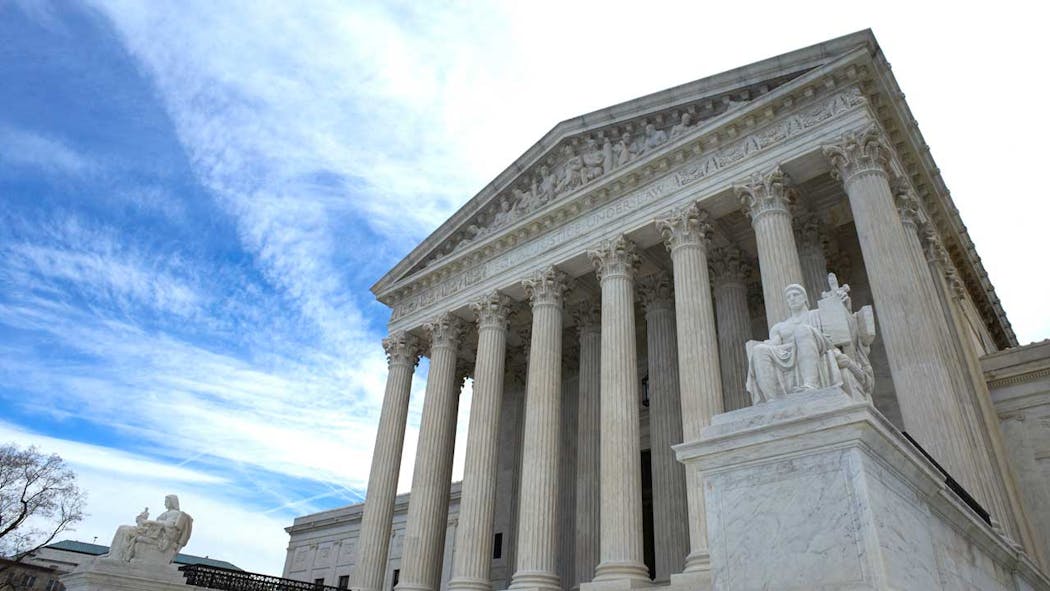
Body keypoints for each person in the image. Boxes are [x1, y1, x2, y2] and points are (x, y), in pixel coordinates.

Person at [746, 284, 837, 403]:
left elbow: (835, 335)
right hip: (788, 353)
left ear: (804, 298)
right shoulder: (781, 326)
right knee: (759, 350)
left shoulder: (817, 314)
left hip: (816, 346)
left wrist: (841, 301)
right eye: (789, 297)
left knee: (802, 330)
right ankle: (772, 400)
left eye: (795, 295)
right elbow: (774, 344)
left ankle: (810, 385)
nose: (792, 298)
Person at [105, 494, 193, 564]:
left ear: (172, 502)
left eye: (167, 501)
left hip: (158, 537)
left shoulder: (176, 513)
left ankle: (117, 557)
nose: (165, 503)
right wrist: (142, 520)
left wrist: (148, 522)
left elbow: (169, 525)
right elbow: (155, 526)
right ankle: (114, 555)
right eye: (165, 501)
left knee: (125, 530)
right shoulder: (166, 513)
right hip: (150, 532)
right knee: (122, 527)